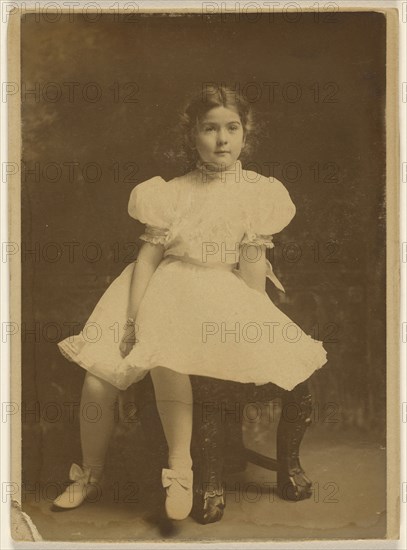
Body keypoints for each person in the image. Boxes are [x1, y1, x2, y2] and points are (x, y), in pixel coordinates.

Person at [53, 84, 328, 521]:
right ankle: (91, 474)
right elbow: (148, 259)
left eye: (232, 128)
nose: (222, 139)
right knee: (98, 376)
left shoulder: (258, 193)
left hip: (217, 289)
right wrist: (132, 320)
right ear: (193, 135)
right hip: (155, 286)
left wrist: (255, 317)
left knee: (169, 356)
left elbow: (252, 267)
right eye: (210, 129)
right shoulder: (171, 192)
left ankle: (179, 470)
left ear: (245, 133)